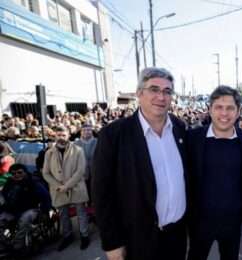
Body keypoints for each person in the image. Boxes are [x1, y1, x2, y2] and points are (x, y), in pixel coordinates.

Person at [92, 67, 188, 260]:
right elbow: (102, 193)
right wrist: (112, 243)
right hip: (138, 240)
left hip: (177, 236)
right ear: (139, 93)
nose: (161, 97)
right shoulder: (114, 135)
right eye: (154, 89)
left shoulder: (179, 128)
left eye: (167, 91)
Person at [187, 86, 242, 260]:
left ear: (238, 112)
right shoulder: (192, 139)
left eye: (230, 108)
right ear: (210, 110)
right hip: (199, 221)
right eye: (219, 107)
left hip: (232, 221)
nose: (224, 113)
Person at [42, 126, 90, 251]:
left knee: (81, 213)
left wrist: (67, 186)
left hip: (76, 187)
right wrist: (59, 186)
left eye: (63, 135)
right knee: (63, 215)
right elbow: (45, 173)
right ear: (55, 136)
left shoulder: (78, 150)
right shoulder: (49, 153)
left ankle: (84, 235)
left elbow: (80, 170)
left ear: (68, 135)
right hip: (58, 190)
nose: (61, 138)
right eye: (58, 135)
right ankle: (68, 236)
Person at [0, 163, 51, 251]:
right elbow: (4, 196)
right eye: (13, 173)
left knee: (24, 221)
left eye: (19, 172)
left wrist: (45, 211)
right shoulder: (9, 183)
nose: (16, 175)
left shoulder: (33, 182)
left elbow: (45, 197)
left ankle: (17, 246)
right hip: (12, 210)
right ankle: (4, 244)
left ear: (25, 172)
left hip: (30, 209)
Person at [74, 124, 97, 202]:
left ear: (92, 131)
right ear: (81, 132)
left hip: (95, 172)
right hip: (82, 172)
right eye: (84, 130)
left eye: (89, 130)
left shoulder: (98, 142)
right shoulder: (76, 144)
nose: (86, 132)